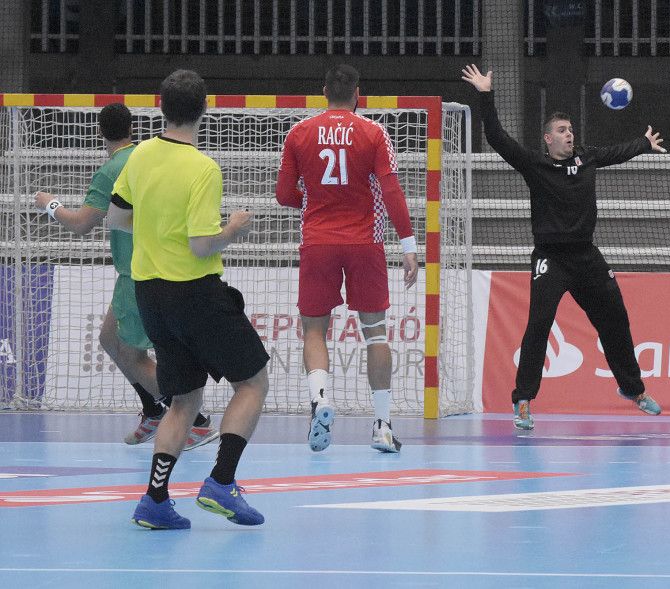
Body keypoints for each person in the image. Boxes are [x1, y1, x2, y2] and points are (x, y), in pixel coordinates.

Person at [461, 63, 664, 431]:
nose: (569, 135)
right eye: (561, 131)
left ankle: (633, 390)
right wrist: (486, 95)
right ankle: (523, 401)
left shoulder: (586, 158)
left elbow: (617, 152)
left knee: (615, 319)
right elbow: (497, 137)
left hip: (587, 256)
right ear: (547, 139)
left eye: (571, 130)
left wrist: (644, 144)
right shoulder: (535, 165)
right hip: (551, 259)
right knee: (538, 324)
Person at [110, 70, 270, 529]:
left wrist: (158, 230)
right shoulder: (203, 167)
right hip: (195, 292)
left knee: (183, 400)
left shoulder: (138, 155)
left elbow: (118, 220)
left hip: (151, 295)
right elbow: (202, 244)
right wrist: (232, 229)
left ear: (161, 106)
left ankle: (155, 500)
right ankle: (221, 481)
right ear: (204, 109)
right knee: (253, 381)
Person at [33, 103, 217, 451]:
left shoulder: (111, 169)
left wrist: (50, 204)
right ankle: (152, 410)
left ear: (100, 132)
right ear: (132, 128)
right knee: (107, 338)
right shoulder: (148, 156)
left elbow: (81, 224)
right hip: (161, 267)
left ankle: (195, 419)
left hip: (137, 273)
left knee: (132, 356)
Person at [275, 64, 418, 454]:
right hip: (364, 244)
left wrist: (315, 201)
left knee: (315, 331)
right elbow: (391, 193)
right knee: (376, 333)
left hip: (318, 241)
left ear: (324, 92)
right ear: (358, 94)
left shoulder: (299, 133)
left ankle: (320, 400)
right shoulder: (374, 133)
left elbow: (284, 194)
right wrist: (408, 246)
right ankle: (383, 425)